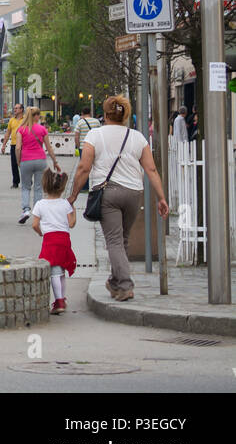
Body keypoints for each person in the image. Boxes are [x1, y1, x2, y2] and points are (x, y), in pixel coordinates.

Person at [67, 95, 168, 302]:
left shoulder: (95, 136)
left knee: (113, 240)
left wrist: (74, 194)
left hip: (108, 193)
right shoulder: (138, 137)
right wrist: (161, 197)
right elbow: (151, 169)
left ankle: (125, 286)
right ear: (125, 115)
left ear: (104, 115)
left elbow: (84, 167)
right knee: (122, 240)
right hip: (133, 193)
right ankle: (115, 281)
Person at [30, 168, 76, 315]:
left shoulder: (40, 204)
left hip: (50, 240)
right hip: (64, 240)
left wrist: (40, 233)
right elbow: (71, 224)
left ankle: (59, 301)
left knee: (54, 273)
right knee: (61, 271)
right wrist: (73, 211)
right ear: (62, 187)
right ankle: (62, 298)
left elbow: (35, 224)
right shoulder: (64, 204)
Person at [16, 107, 60, 224]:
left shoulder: (21, 130)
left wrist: (18, 161)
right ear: (36, 116)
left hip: (26, 160)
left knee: (25, 187)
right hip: (40, 160)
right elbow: (48, 147)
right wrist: (55, 161)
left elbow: (18, 147)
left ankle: (26, 210)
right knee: (38, 188)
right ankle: (37, 212)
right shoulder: (42, 129)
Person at [1, 103, 24, 188]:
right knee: (14, 164)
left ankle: (27, 180)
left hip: (24, 145)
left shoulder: (25, 120)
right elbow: (8, 133)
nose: (15, 110)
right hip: (14, 144)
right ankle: (15, 182)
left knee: (24, 164)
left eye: (16, 108)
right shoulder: (11, 120)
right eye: (14, 108)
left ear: (21, 110)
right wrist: (4, 145)